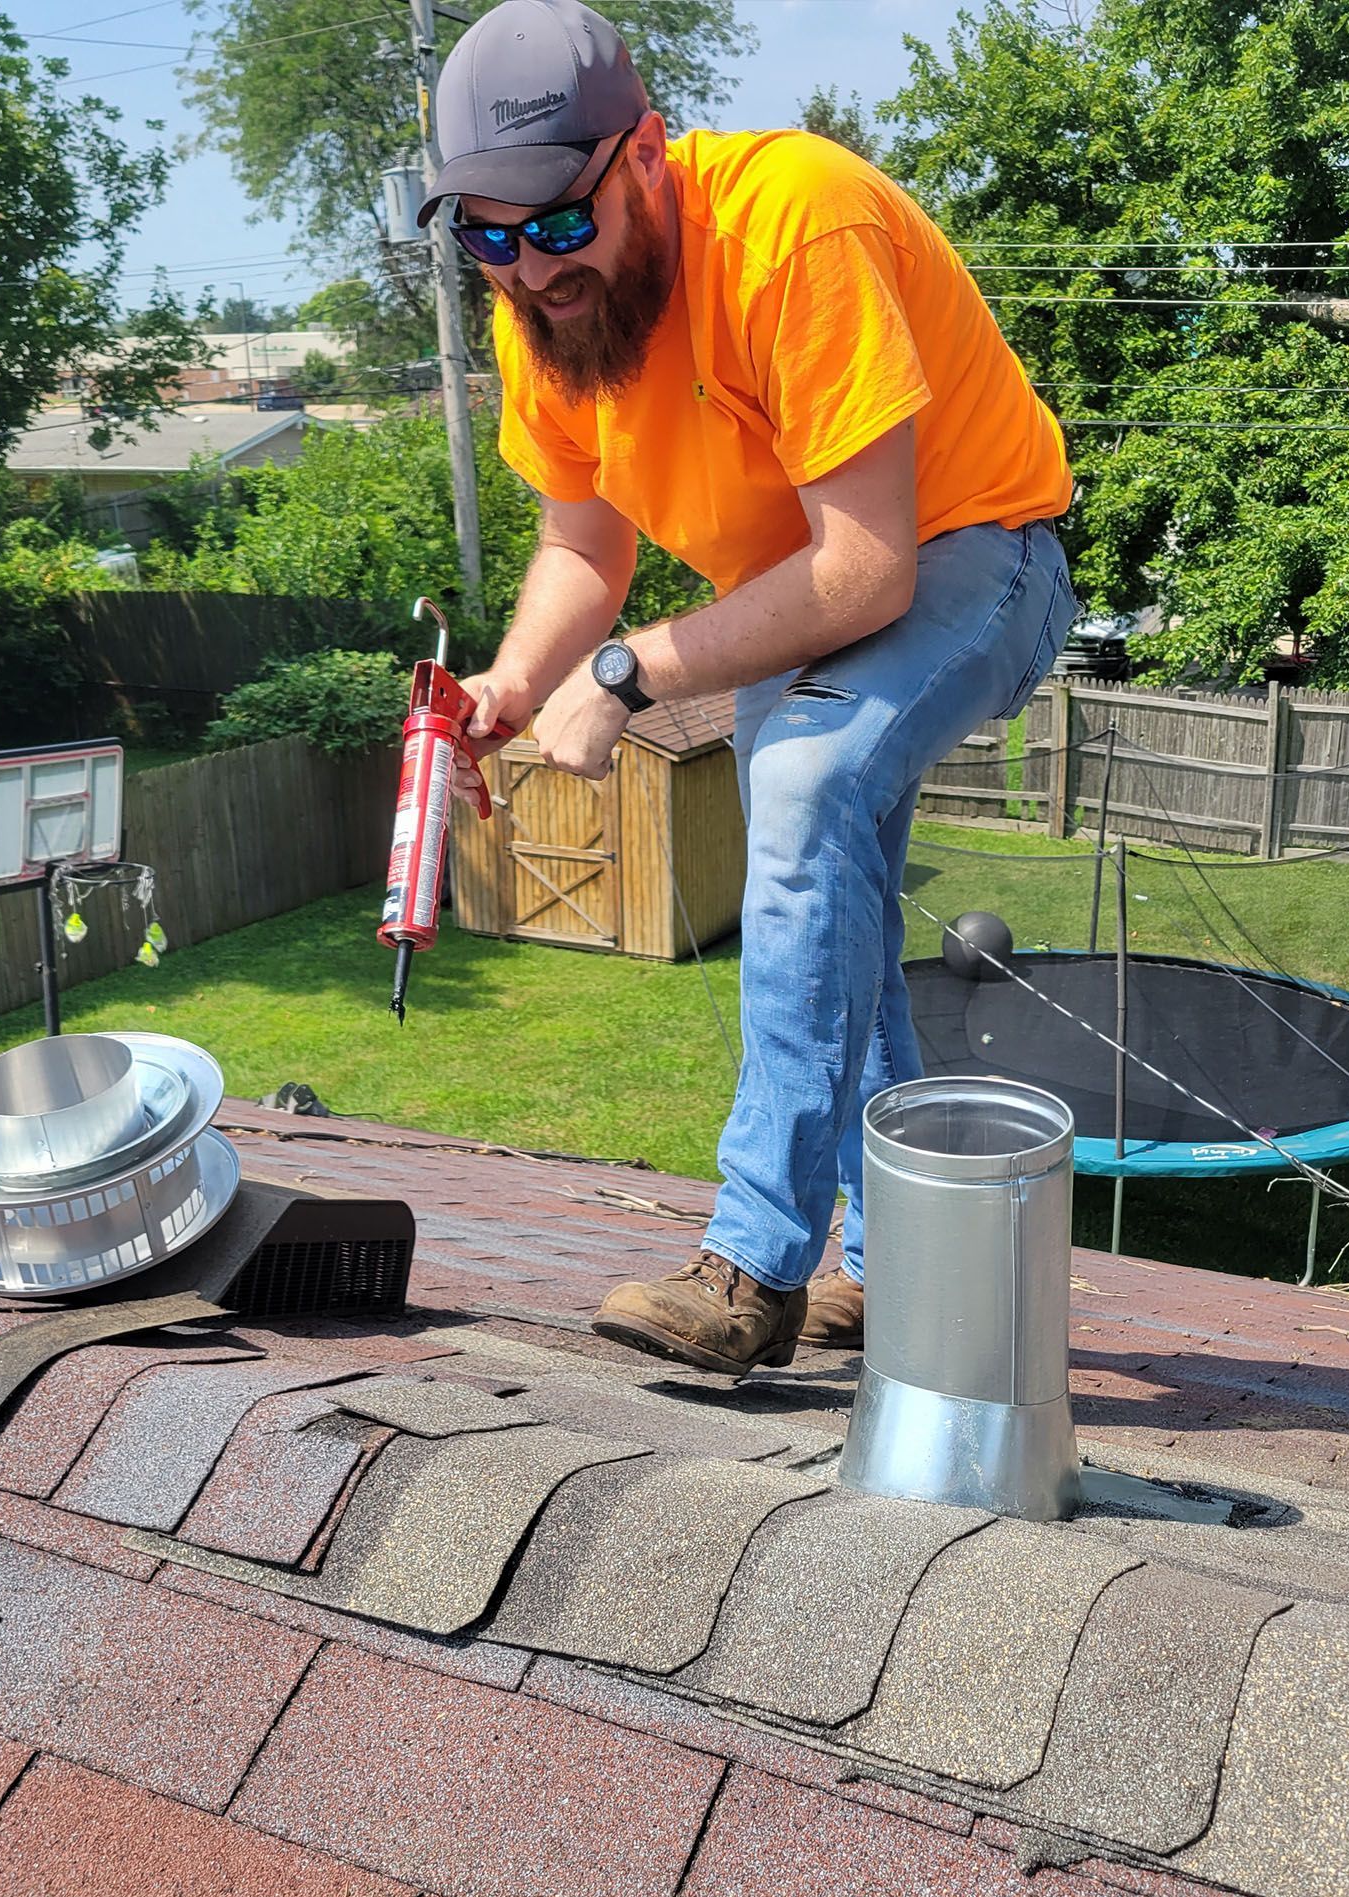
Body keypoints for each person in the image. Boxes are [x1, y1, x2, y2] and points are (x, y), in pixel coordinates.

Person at [426, 0, 1076, 1375]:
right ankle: (917, 1275)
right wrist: (512, 679)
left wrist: (628, 676)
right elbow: (580, 545)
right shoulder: (538, 315)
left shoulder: (794, 220)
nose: (532, 269)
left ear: (647, 155)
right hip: (801, 599)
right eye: (485, 234)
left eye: (556, 224)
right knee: (826, 901)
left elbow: (867, 574)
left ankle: (754, 1268)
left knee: (798, 783)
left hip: (976, 554)